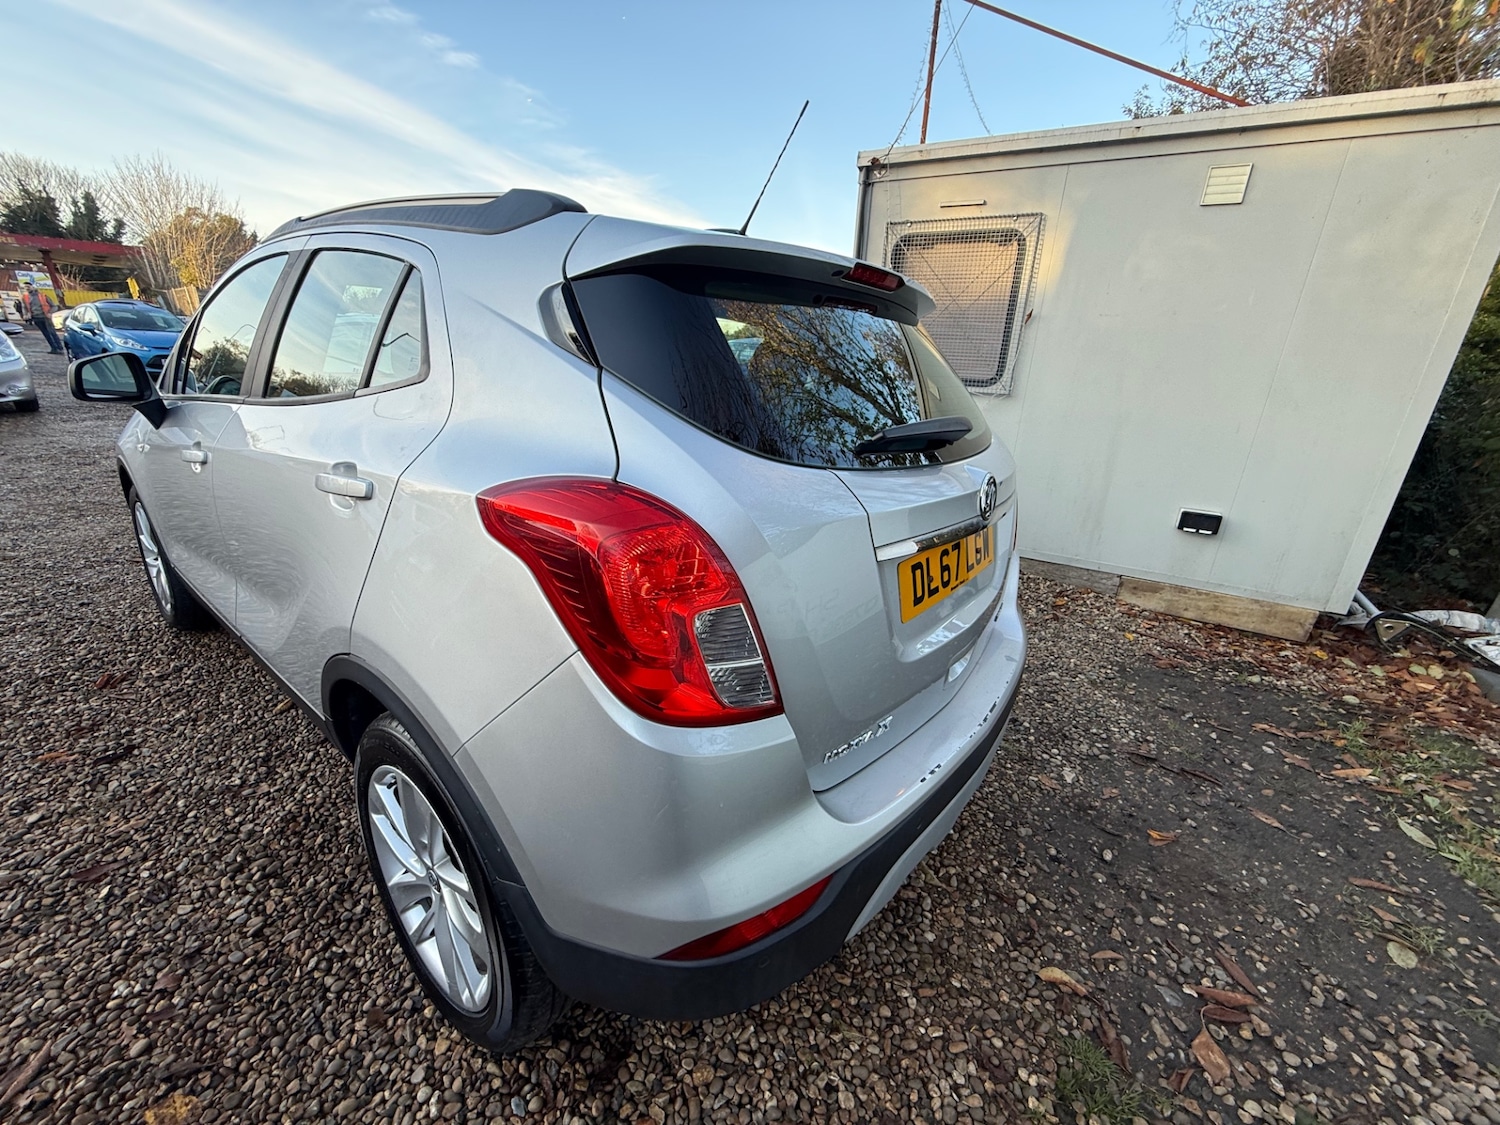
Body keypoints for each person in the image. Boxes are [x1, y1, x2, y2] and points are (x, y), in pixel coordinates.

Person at [20, 283, 63, 353]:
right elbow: (24, 307)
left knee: (52, 333)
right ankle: (54, 348)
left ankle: (60, 348)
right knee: (46, 334)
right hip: (36, 318)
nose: (27, 288)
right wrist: (25, 314)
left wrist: (50, 313)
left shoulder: (42, 295)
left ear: (33, 287)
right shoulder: (25, 297)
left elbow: (54, 306)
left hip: (46, 317)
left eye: (28, 286)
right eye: (25, 287)